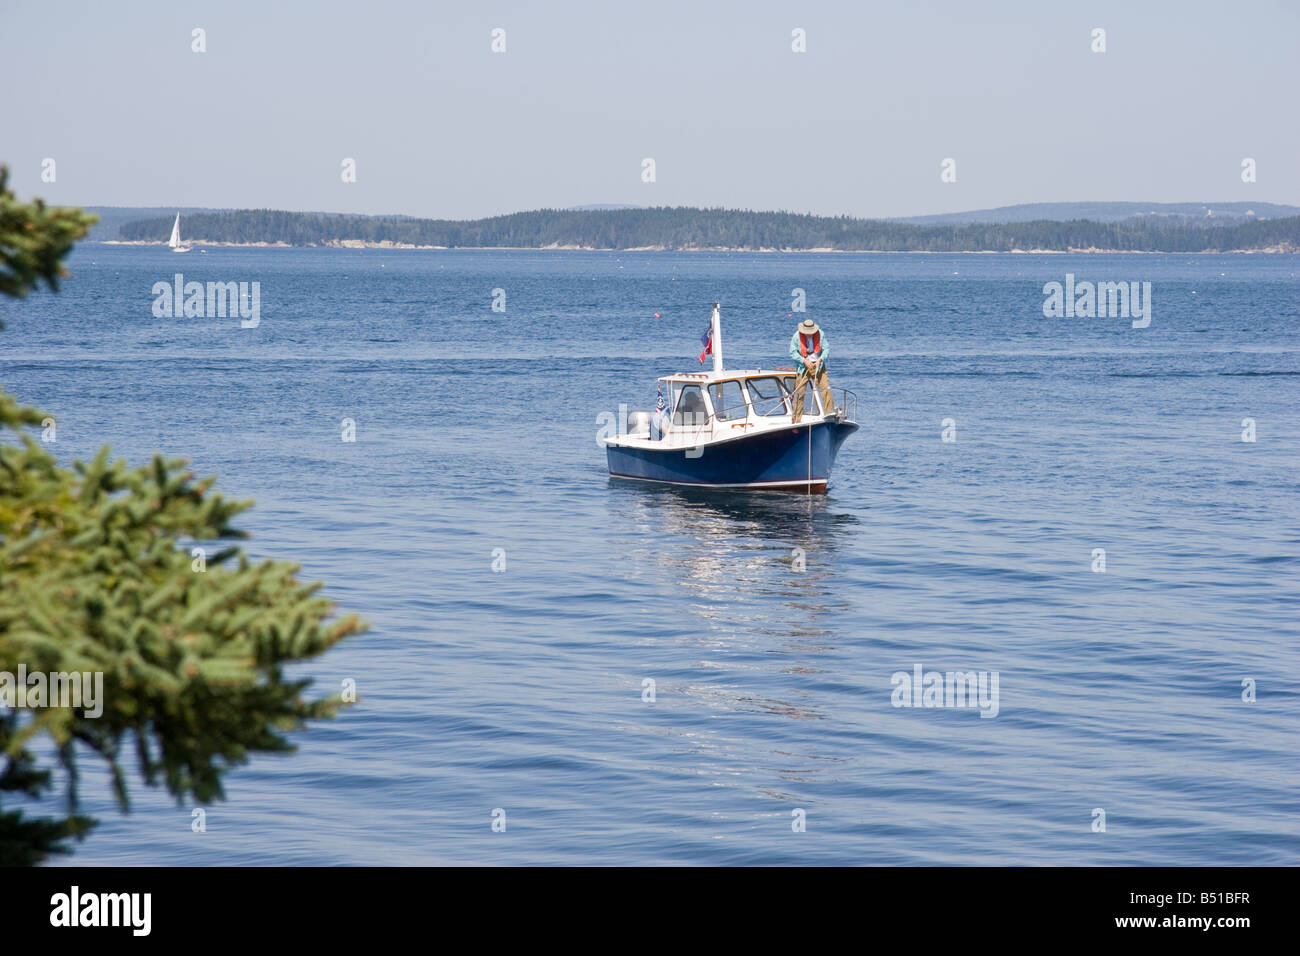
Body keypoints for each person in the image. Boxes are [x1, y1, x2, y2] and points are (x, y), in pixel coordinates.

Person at [789, 318, 833, 422]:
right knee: (799, 393)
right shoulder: (796, 336)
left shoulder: (821, 334)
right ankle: (796, 419)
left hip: (818, 366)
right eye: (807, 333)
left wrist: (820, 359)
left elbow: (826, 348)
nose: (809, 334)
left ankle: (830, 414)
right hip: (803, 367)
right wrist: (804, 361)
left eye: (811, 332)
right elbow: (793, 353)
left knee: (825, 390)